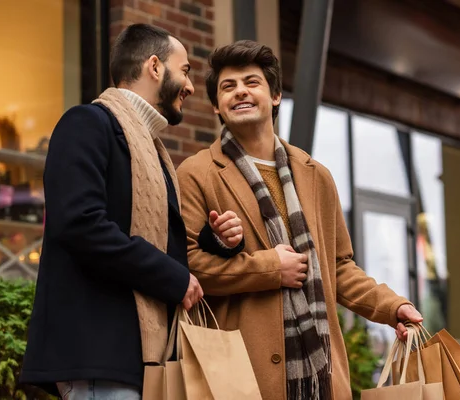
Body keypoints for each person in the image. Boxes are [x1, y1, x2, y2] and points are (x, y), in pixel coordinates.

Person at [176, 40, 424, 400]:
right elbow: (186, 265)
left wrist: (391, 306)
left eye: (252, 82)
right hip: (239, 376)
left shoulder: (315, 175)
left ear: (275, 96)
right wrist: (270, 268)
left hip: (321, 375)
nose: (240, 92)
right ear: (216, 104)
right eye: (228, 87)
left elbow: (338, 267)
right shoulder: (196, 173)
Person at [20, 24, 244, 399]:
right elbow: (80, 225)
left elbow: (153, 243)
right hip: (101, 355)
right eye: (185, 70)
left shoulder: (155, 153)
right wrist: (173, 278)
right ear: (154, 67)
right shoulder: (88, 124)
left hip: (141, 362)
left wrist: (212, 241)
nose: (190, 87)